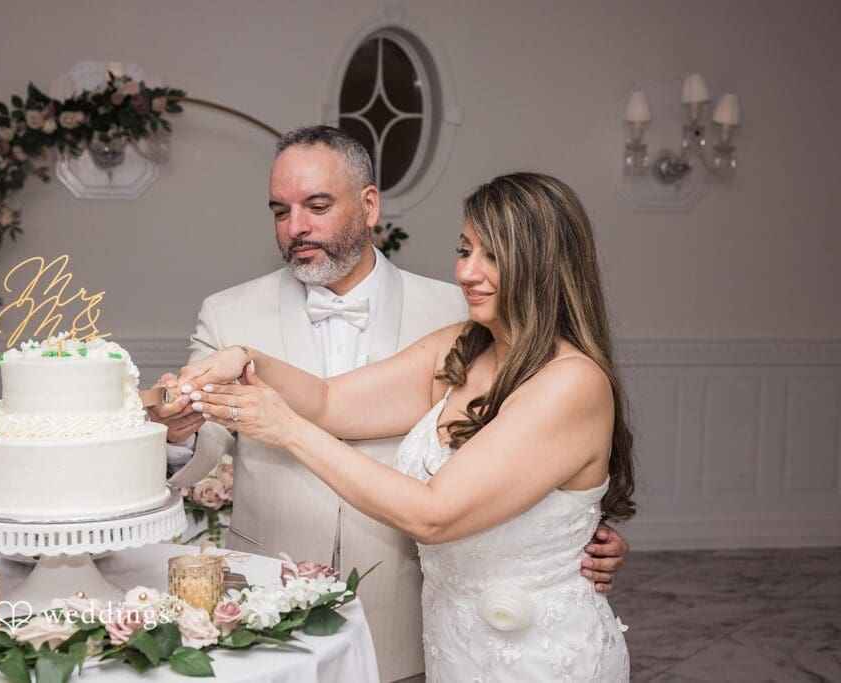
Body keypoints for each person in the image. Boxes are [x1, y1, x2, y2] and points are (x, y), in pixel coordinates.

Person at [151, 129, 630, 681]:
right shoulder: (465, 345)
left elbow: (434, 513)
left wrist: (286, 428)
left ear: (544, 264)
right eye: (464, 249)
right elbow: (331, 402)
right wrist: (243, 355)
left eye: (493, 255)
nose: (468, 272)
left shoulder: (570, 381)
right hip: (453, 637)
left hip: (534, 650)